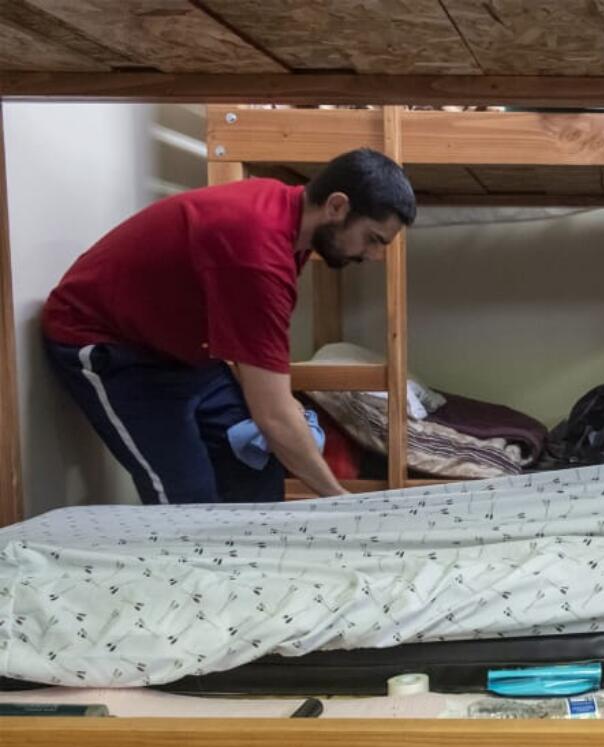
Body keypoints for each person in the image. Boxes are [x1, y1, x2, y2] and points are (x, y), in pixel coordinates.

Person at [41, 148, 415, 504]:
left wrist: (279, 407)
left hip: (186, 350)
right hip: (112, 345)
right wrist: (338, 498)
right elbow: (272, 415)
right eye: (372, 239)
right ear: (337, 206)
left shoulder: (289, 219)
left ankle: (248, 568)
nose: (372, 255)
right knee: (188, 499)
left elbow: (252, 351)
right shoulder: (258, 255)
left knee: (252, 463)